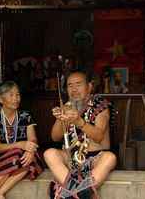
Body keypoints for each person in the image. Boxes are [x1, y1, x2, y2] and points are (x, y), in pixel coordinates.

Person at [44, 70, 117, 199]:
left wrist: (79, 122)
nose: (74, 89)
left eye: (78, 84)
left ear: (89, 86)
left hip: (95, 159)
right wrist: (61, 119)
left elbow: (99, 136)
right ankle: (81, 192)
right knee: (49, 153)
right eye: (70, 85)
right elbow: (55, 137)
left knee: (110, 158)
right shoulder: (67, 106)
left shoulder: (100, 105)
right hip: (71, 160)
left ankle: (69, 192)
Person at [0, 81, 44, 199]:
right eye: (11, 95)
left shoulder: (26, 116)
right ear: (1, 99)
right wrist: (20, 145)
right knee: (17, 153)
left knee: (30, 159)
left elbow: (33, 138)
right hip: (0, 156)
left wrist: (30, 151)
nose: (16, 98)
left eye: (17, 95)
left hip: (22, 155)